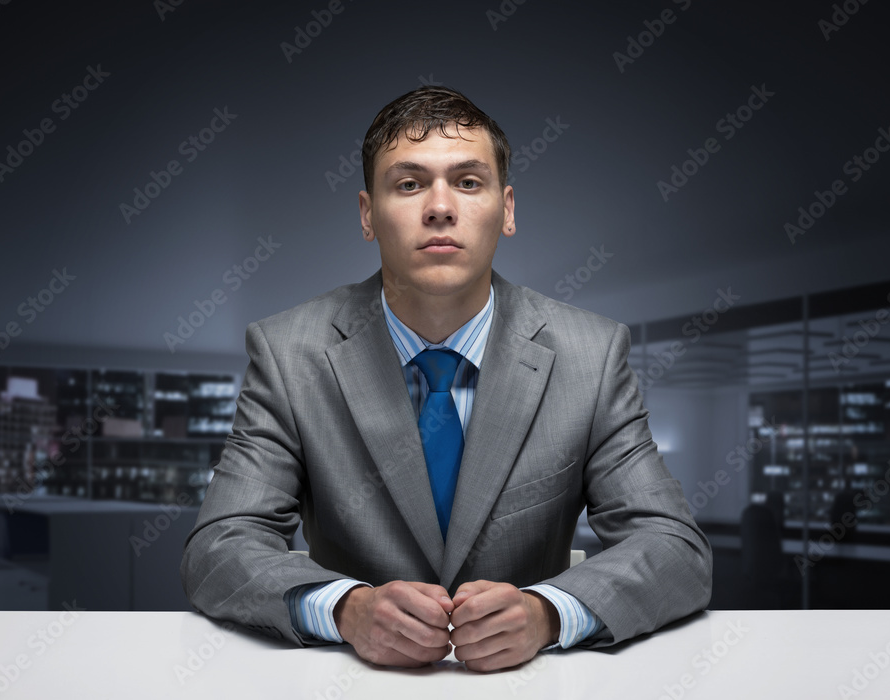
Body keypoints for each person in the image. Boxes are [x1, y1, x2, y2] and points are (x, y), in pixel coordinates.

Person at [180, 85, 712, 672]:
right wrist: (344, 609)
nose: (439, 206)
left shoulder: (591, 354)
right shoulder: (288, 353)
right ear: (366, 214)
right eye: (409, 184)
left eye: (467, 181)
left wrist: (550, 613)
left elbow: (675, 548)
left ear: (506, 210)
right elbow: (220, 547)